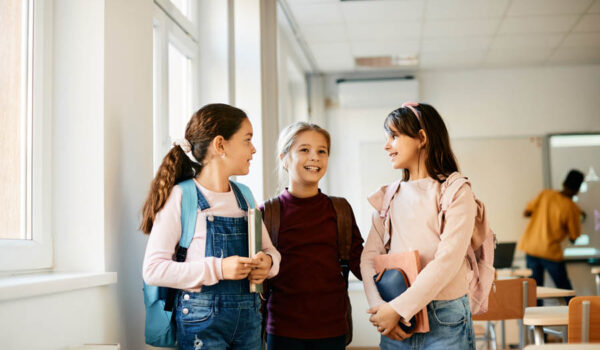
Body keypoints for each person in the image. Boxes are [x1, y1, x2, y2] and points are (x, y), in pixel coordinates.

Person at [140, 103, 281, 350]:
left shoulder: (245, 196)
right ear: (220, 145)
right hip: (200, 322)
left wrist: (268, 264)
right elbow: (153, 270)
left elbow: (270, 251)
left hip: (249, 321)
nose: (254, 149)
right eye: (247, 140)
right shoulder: (182, 197)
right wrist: (218, 268)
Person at [361, 102, 477, 350]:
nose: (386, 145)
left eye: (393, 136)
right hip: (393, 316)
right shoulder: (388, 197)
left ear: (421, 137)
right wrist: (382, 309)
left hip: (444, 316)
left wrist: (398, 308)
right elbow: (369, 257)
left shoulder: (456, 192)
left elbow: (447, 261)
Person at [261, 122, 364, 350]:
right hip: (282, 330)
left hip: (333, 329)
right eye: (304, 150)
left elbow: (362, 264)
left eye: (322, 151)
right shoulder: (267, 213)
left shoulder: (340, 210)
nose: (314, 157)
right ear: (285, 158)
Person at [517, 169, 584, 302]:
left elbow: (526, 213)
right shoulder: (572, 208)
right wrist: (579, 218)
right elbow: (574, 237)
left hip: (531, 248)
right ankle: (578, 317)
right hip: (550, 252)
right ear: (577, 190)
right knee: (564, 289)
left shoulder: (545, 194)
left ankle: (535, 321)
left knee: (535, 290)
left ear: (564, 183)